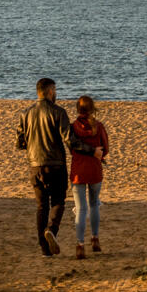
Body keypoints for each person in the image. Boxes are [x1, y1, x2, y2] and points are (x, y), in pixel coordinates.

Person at [16, 78, 94, 257]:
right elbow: (70, 140)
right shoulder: (59, 112)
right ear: (50, 91)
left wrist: (33, 143)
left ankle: (45, 249)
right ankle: (51, 229)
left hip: (35, 165)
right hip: (56, 165)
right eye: (55, 90)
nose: (56, 93)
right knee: (58, 201)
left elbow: (20, 143)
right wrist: (90, 151)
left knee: (41, 206)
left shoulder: (25, 113)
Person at [69, 95, 109, 259]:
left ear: (78, 109)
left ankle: (80, 244)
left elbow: (71, 148)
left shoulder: (72, 127)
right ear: (92, 109)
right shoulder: (98, 126)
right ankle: (95, 238)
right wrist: (96, 151)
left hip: (78, 170)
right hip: (94, 169)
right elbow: (105, 149)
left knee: (81, 208)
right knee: (94, 204)